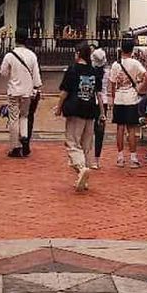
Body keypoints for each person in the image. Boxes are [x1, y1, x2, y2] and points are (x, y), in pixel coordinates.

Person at [56, 41, 101, 191]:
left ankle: (82, 169)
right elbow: (98, 94)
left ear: (78, 54)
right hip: (91, 110)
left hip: (76, 109)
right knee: (86, 145)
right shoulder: (94, 71)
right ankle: (84, 177)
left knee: (72, 143)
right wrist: (102, 112)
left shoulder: (72, 70)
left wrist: (58, 107)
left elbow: (65, 92)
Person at [0, 28, 41, 158]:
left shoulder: (10, 55)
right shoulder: (32, 55)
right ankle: (24, 136)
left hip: (14, 91)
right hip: (27, 92)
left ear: (15, 39)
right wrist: (36, 88)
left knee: (13, 118)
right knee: (24, 116)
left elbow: (3, 72)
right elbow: (36, 76)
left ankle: (15, 146)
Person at [109, 36, 146, 167]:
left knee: (120, 128)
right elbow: (145, 75)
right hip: (132, 98)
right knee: (131, 129)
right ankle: (133, 158)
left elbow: (112, 84)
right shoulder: (136, 64)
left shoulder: (115, 65)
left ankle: (120, 157)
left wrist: (113, 99)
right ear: (132, 49)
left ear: (121, 49)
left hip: (119, 99)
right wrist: (139, 85)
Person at [90, 46, 109, 169]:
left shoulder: (90, 72)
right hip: (104, 102)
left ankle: (86, 156)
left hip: (91, 102)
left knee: (87, 131)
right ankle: (96, 160)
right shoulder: (107, 73)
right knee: (99, 132)